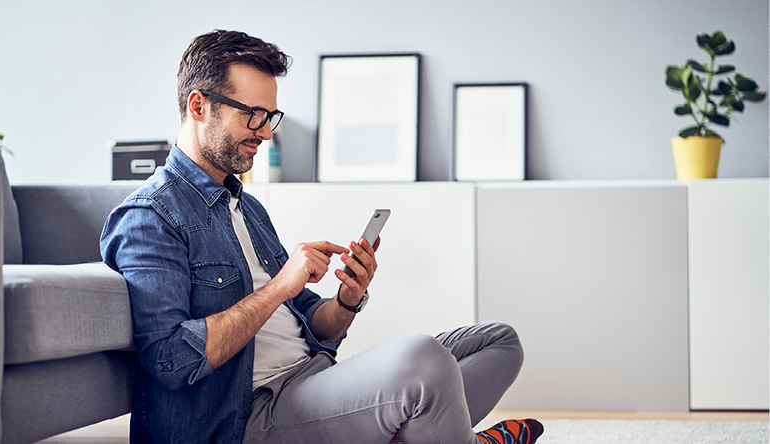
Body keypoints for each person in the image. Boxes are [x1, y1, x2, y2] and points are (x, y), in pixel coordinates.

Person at [100, 29, 543, 444]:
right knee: (423, 360)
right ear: (198, 106)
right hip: (250, 415)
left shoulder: (246, 206)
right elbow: (171, 362)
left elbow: (314, 326)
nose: (266, 131)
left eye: (270, 115)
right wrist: (280, 286)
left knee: (497, 341)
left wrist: (347, 299)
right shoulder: (148, 217)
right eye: (253, 114)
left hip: (315, 378)